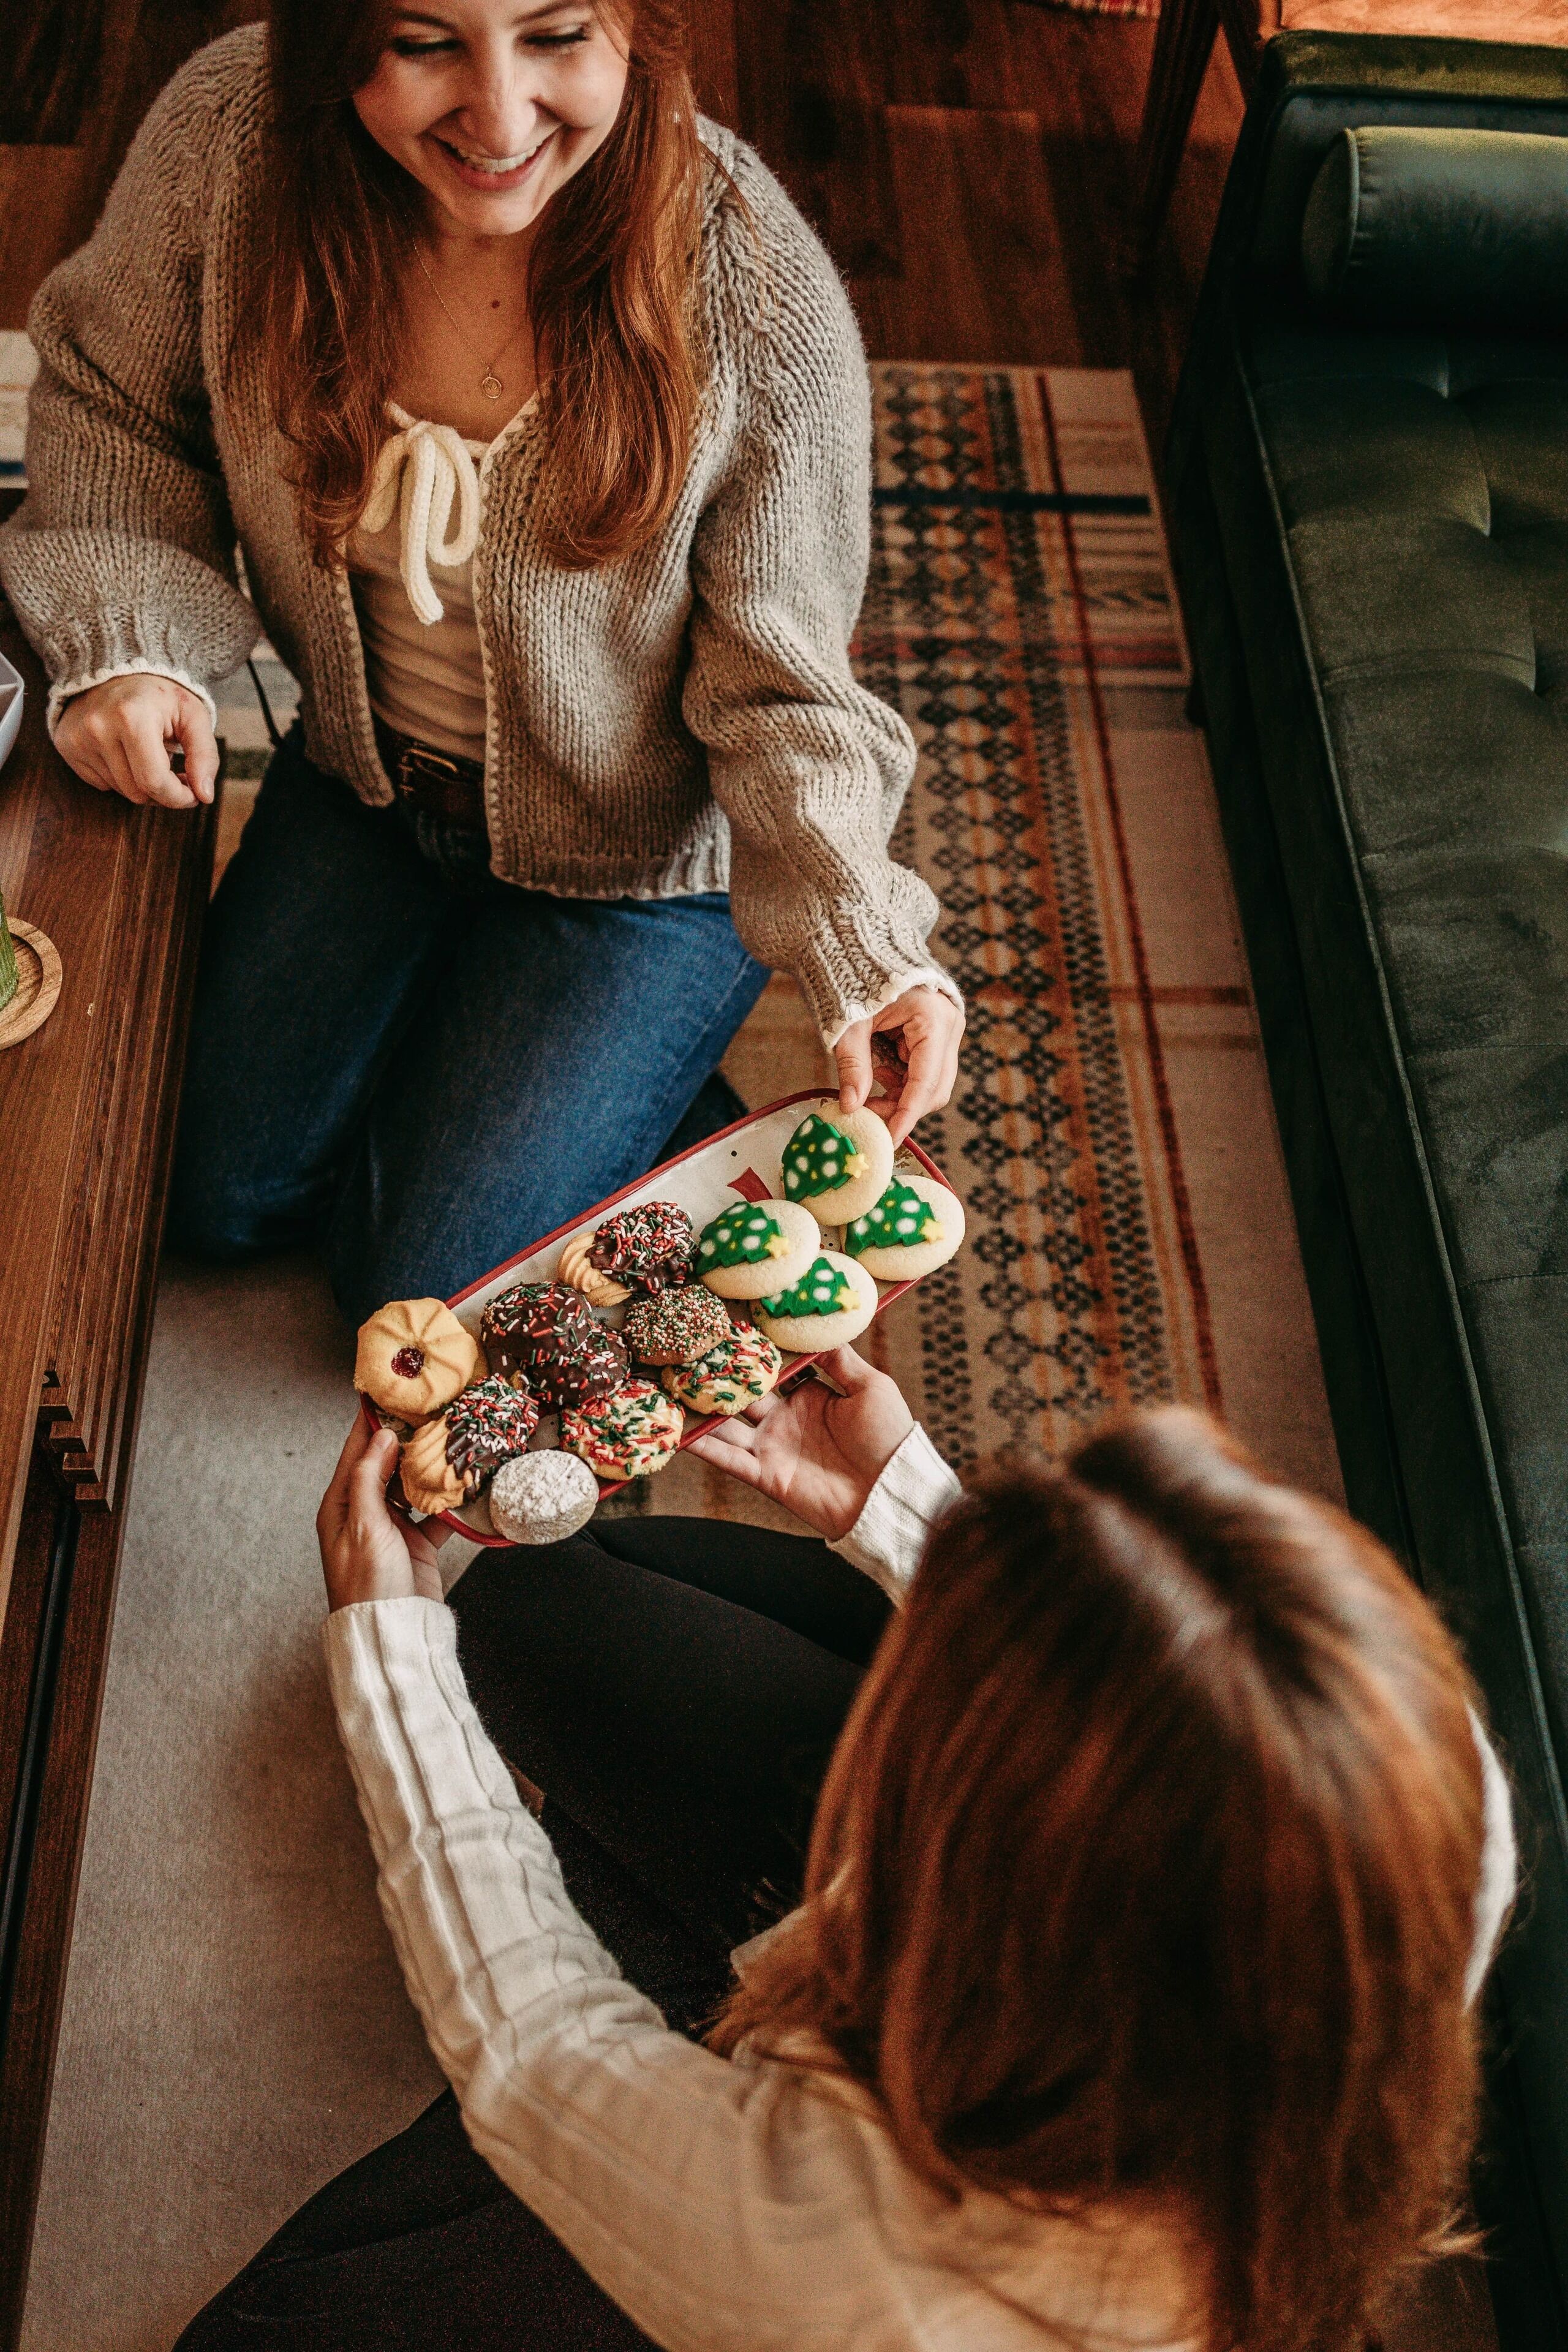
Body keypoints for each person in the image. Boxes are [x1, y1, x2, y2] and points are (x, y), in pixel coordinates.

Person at [178, 1362, 1516, 2351]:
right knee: (534, 1613)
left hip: (855, 2203)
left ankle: (690, 2004)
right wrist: (901, 1502)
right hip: (945, 1979)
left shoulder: (874, 2287)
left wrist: (389, 1660)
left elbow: (535, 2049)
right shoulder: (1408, 1777)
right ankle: (697, 1976)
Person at [0, 0, 963, 1324]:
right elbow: (113, 403)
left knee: (420, 1283)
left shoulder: (753, 286)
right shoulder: (230, 138)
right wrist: (127, 639)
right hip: (365, 789)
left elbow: (781, 688)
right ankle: (550, 1076)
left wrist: (860, 933)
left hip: (640, 870)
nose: (500, 117)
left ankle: (633, 1086)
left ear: (638, 27)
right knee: (196, 1190)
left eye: (556, 36)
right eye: (422, 43)